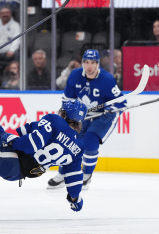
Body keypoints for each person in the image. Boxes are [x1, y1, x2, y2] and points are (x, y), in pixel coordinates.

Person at [48, 49, 126, 190]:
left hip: (104, 117)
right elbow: (67, 100)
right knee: (69, 140)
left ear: (98, 64)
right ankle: (63, 174)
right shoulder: (75, 76)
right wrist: (70, 115)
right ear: (83, 63)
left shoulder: (107, 79)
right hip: (84, 115)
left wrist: (110, 107)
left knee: (90, 139)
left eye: (93, 63)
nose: (90, 66)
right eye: (87, 62)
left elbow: (122, 103)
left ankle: (86, 175)